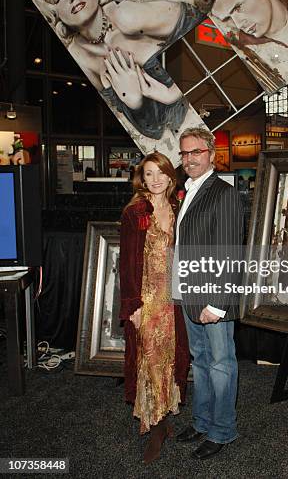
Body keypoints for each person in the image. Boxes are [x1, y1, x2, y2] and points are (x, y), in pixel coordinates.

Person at [29, 0, 203, 141]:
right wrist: (135, 103)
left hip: (203, 108)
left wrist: (172, 93)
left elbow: (203, 31)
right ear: (54, 13)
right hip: (181, 136)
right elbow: (153, 130)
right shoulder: (83, 58)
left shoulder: (127, 16)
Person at [173, 127, 244, 460]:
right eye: (184, 153)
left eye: (196, 152)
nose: (189, 159)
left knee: (220, 365)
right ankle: (202, 422)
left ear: (211, 155)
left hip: (213, 298)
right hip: (190, 295)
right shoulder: (188, 190)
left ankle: (222, 430)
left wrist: (217, 304)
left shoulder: (223, 192)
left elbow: (231, 253)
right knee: (200, 363)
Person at [119, 152, 189, 464]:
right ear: (142, 178)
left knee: (172, 360)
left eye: (160, 173)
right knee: (149, 362)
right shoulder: (135, 213)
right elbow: (127, 264)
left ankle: (164, 415)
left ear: (170, 176)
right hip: (147, 301)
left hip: (174, 301)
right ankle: (157, 428)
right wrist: (132, 306)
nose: (155, 179)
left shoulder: (178, 207)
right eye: (149, 174)